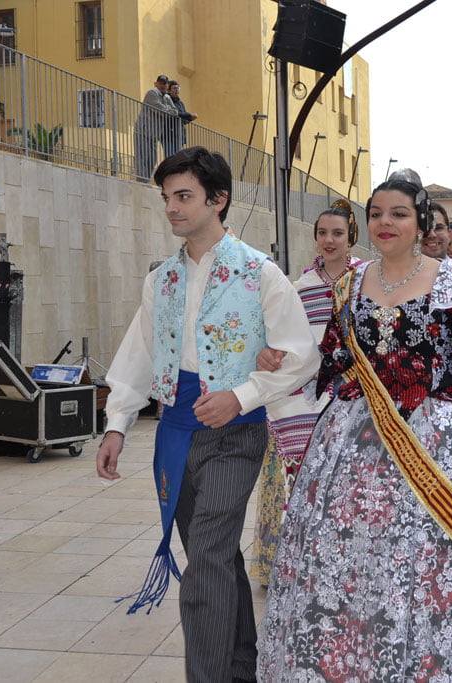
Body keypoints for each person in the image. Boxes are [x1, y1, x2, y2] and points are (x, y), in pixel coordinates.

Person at [258, 170, 452, 681]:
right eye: (376, 214)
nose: (384, 223)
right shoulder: (348, 283)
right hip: (353, 444)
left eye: (398, 214)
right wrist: (277, 360)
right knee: (352, 567)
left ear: (421, 221)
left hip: (438, 443)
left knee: (431, 564)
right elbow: (332, 359)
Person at [96, 147, 319, 683]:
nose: (172, 208)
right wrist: (117, 424)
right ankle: (244, 668)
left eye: (184, 196)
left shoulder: (260, 273)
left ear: (218, 200)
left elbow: (301, 354)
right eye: (167, 197)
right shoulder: (161, 280)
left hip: (235, 433)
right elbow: (139, 352)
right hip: (174, 431)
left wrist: (241, 395)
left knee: (205, 565)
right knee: (213, 558)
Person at [249, 200, 363, 586]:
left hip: (355, 395)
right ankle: (293, 566)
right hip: (301, 398)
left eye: (337, 233)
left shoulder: (367, 280)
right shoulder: (300, 287)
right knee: (297, 481)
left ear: (352, 238)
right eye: (322, 233)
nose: (328, 241)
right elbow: (283, 338)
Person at [134, 75, 178, 181]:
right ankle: (142, 182)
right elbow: (160, 110)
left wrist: (166, 110)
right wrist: (168, 110)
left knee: (152, 160)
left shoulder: (167, 97)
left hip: (154, 134)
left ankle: (146, 181)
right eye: (161, 83)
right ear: (156, 84)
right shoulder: (152, 93)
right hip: (143, 131)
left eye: (165, 83)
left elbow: (175, 112)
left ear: (167, 85)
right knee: (142, 159)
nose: (163, 85)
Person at [164, 80, 197, 157]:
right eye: (174, 88)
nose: (177, 90)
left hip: (179, 134)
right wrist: (189, 115)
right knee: (170, 156)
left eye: (178, 88)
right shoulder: (166, 99)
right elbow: (174, 113)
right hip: (169, 133)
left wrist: (190, 119)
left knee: (178, 158)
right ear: (169, 90)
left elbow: (183, 119)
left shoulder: (180, 103)